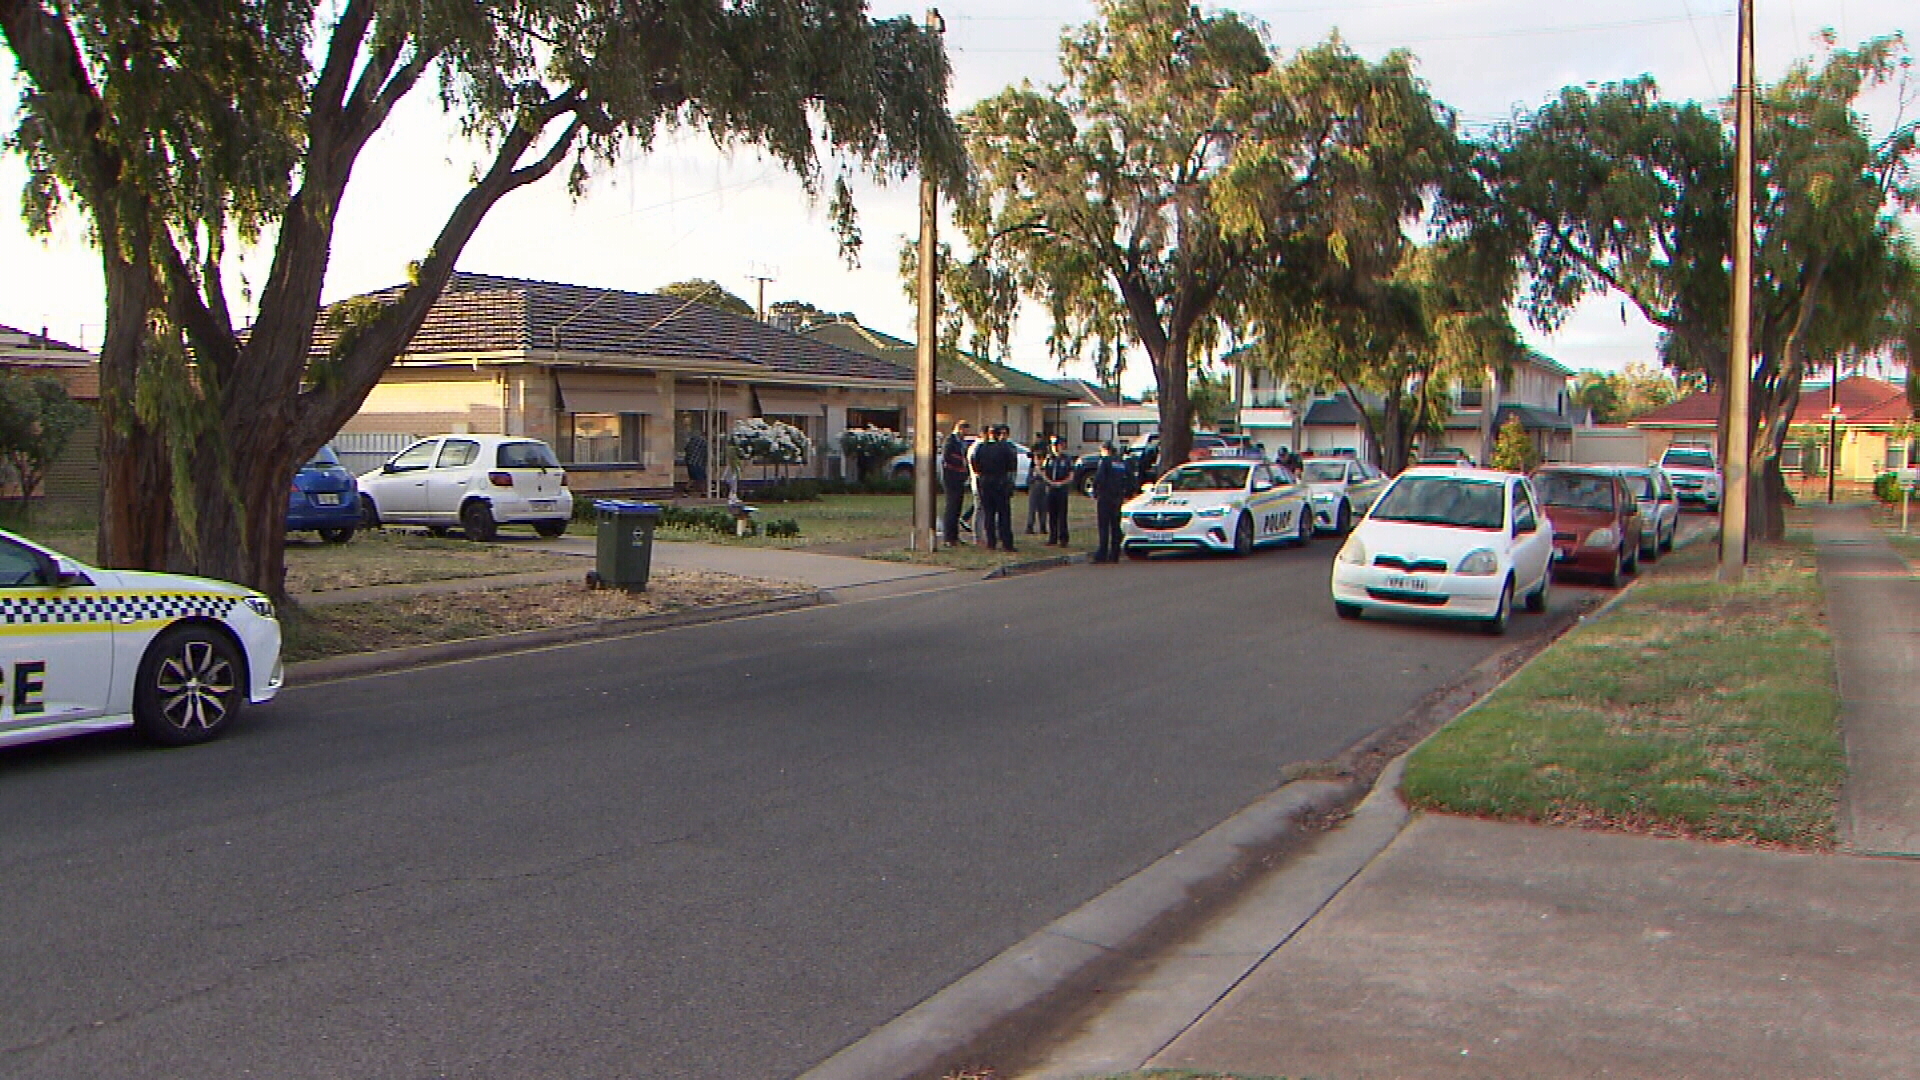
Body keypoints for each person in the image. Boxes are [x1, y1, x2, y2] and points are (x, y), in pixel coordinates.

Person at [972, 424, 1019, 552]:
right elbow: (1011, 466)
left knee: (989, 514)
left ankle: (991, 542)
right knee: (1003, 514)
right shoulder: (1005, 448)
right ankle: (1006, 543)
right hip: (1000, 482)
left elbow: (975, 465)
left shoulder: (981, 448)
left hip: (985, 482)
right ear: (999, 435)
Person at [1090, 440, 1131, 563]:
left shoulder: (1105, 462)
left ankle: (1102, 554)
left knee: (1104, 526)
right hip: (1118, 497)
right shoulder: (1122, 463)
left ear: (1105, 450)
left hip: (1105, 497)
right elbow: (1130, 479)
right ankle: (1115, 554)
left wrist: (1095, 491)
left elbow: (1099, 478)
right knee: (1115, 526)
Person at [940, 420, 973, 544]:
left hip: (960, 478)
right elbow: (947, 457)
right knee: (951, 507)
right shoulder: (950, 440)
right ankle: (948, 537)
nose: (966, 434)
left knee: (957, 507)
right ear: (960, 429)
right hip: (951, 478)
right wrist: (962, 462)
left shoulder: (961, 442)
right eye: (965, 431)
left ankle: (955, 536)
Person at [1041, 436, 1075, 547]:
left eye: (1058, 446)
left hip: (1062, 489)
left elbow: (1071, 475)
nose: (1056, 448)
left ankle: (1063, 539)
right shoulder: (1049, 458)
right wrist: (1050, 482)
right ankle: (1052, 538)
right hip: (1051, 489)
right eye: (1054, 446)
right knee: (1052, 515)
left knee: (1062, 515)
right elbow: (1044, 473)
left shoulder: (1067, 459)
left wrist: (1062, 483)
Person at [1025, 438, 1049, 535]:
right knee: (1032, 509)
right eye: (1036, 459)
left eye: (1040, 458)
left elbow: (1048, 480)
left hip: (1043, 490)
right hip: (1034, 489)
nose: (1038, 461)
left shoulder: (1045, 469)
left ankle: (1043, 526)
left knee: (1043, 509)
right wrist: (1034, 477)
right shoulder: (1032, 469)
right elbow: (1028, 480)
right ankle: (1029, 526)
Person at [683, 429, 709, 494]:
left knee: (692, 478)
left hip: (689, 462)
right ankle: (704, 492)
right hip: (698, 463)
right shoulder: (704, 443)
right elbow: (707, 454)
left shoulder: (693, 440)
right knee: (702, 478)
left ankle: (686, 490)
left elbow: (686, 448)